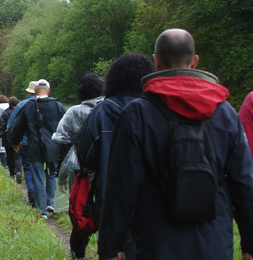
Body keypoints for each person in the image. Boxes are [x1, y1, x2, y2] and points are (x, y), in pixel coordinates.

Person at [97, 29, 253, 260]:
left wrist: (110, 247)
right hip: (214, 241)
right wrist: (249, 244)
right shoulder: (225, 113)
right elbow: (244, 183)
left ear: (156, 61)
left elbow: (121, 186)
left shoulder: (137, 113)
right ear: (195, 61)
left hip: (156, 242)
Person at [75, 53, 156, 260]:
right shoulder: (156, 109)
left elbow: (86, 154)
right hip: (153, 204)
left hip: (110, 196)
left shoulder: (104, 110)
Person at [50, 73, 103, 259]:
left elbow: (62, 141)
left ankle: (77, 252)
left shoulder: (75, 112)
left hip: (79, 169)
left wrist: (61, 174)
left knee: (81, 210)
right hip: (105, 169)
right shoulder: (110, 108)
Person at [9, 79, 66, 219]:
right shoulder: (58, 106)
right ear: (49, 91)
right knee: (52, 173)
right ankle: (51, 202)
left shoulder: (28, 107)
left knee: (38, 176)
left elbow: (18, 126)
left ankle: (41, 209)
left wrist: (15, 141)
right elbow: (65, 128)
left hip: (34, 148)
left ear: (34, 91)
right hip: (53, 147)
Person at [53, 73, 104, 193]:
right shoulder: (107, 109)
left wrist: (61, 174)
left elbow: (64, 143)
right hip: (104, 164)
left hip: (78, 166)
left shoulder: (74, 112)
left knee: (79, 202)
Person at [7, 81, 39, 206]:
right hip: (44, 143)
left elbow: (12, 123)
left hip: (25, 142)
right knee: (43, 169)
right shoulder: (50, 104)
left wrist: (13, 139)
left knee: (29, 168)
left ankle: (32, 194)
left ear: (28, 91)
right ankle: (46, 199)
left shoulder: (23, 105)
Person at [0, 96, 22, 181]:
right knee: (17, 156)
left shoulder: (5, 113)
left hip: (7, 138)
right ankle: (18, 171)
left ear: (9, 104)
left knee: (10, 156)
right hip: (18, 137)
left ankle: (11, 173)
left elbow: (1, 126)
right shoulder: (20, 113)